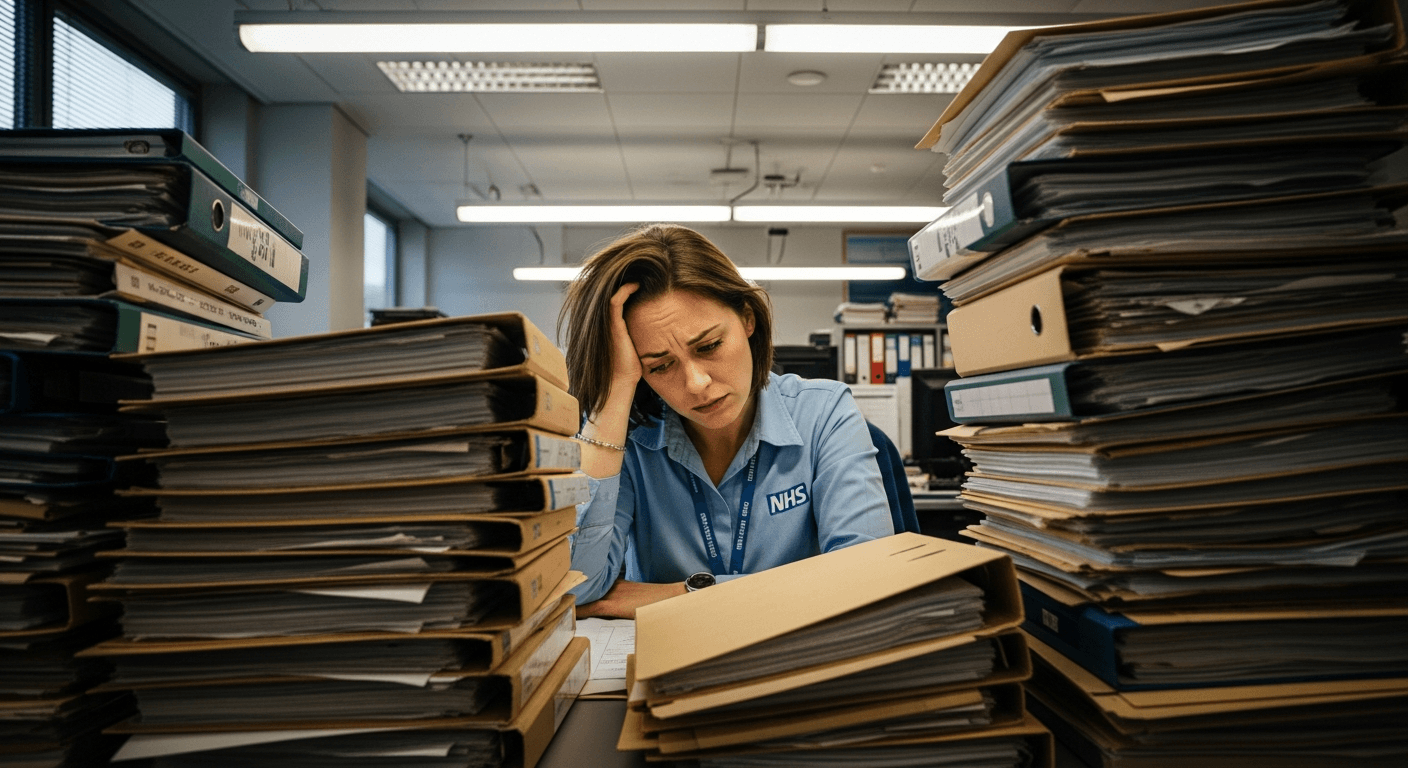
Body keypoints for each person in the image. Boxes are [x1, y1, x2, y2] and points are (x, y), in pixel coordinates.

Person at [560, 224, 895, 618]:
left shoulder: (823, 413)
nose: (696, 383)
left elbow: (867, 578)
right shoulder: (628, 439)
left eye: (710, 346)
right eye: (661, 365)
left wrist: (683, 594)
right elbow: (575, 588)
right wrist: (615, 387)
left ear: (748, 318)